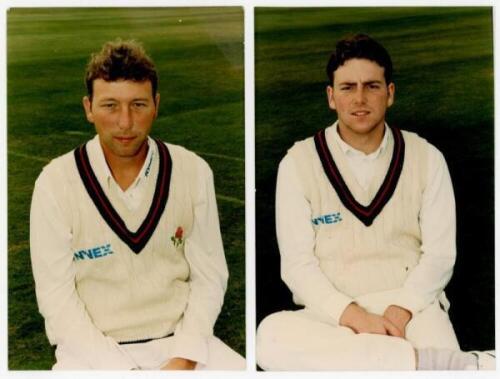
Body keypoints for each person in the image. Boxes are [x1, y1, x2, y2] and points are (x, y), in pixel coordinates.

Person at [256, 34, 494, 371]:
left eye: (372, 86)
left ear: (390, 93)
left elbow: (440, 255)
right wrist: (357, 318)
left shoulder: (427, 157)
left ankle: (405, 363)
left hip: (413, 308)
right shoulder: (298, 162)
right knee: (270, 335)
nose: (360, 99)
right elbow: (297, 266)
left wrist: (400, 311)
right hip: (333, 316)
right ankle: (456, 366)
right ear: (330, 96)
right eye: (347, 87)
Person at [30, 39, 245, 370]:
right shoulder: (55, 182)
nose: (125, 122)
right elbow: (56, 299)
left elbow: (210, 276)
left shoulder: (192, 170)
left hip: (182, 345)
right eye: (110, 105)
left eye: (138, 105)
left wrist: (184, 357)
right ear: (89, 107)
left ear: (156, 105)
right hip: (93, 355)